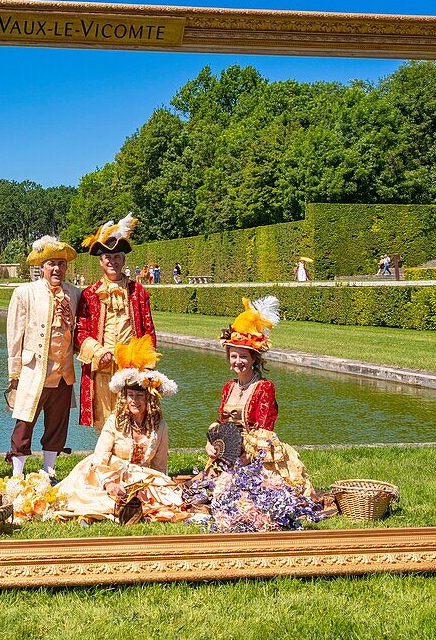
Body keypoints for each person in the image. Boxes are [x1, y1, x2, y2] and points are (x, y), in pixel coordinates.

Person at [183, 296, 331, 531]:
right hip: (228, 454)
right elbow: (222, 424)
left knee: (249, 495)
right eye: (234, 355)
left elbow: (264, 430)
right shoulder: (228, 387)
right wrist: (212, 445)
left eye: (243, 356)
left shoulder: (264, 387)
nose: (238, 361)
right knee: (199, 492)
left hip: (255, 456)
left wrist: (245, 456)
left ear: (254, 359)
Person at [53, 335, 188, 524]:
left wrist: (159, 485)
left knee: (169, 498)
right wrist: (109, 483)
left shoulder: (160, 426)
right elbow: (100, 458)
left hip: (141, 478)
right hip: (108, 473)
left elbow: (159, 466)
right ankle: (92, 512)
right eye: (130, 395)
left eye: (140, 396)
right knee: (88, 493)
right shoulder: (114, 421)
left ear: (150, 399)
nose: (134, 401)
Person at [6, 236, 81, 478]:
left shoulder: (75, 294)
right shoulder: (24, 292)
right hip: (33, 371)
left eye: (61, 263)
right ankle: (18, 473)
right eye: (51, 264)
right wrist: (14, 374)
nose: (57, 269)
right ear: (42, 266)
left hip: (63, 372)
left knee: (58, 424)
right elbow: (14, 335)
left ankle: (49, 470)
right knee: (24, 421)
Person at [76, 214, 157, 431]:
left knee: (134, 415)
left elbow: (148, 330)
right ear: (101, 261)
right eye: (108, 258)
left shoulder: (138, 291)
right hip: (101, 366)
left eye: (117, 257)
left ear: (124, 260)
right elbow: (81, 332)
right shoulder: (90, 294)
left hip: (131, 367)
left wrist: (147, 364)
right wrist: (98, 351)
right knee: (104, 419)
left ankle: (130, 458)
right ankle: (106, 459)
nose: (113, 261)